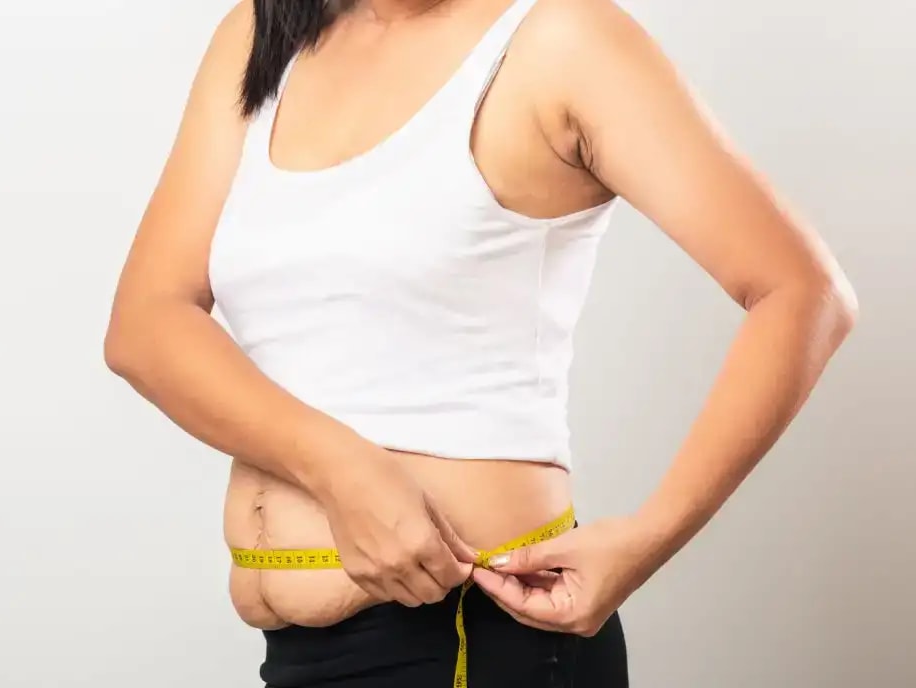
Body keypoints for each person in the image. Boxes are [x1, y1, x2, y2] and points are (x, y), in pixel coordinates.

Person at [104, 0, 858, 685]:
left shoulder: (562, 41)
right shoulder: (263, 35)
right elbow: (146, 323)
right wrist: (338, 467)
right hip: (301, 657)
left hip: (470, 634)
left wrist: (647, 539)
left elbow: (802, 291)